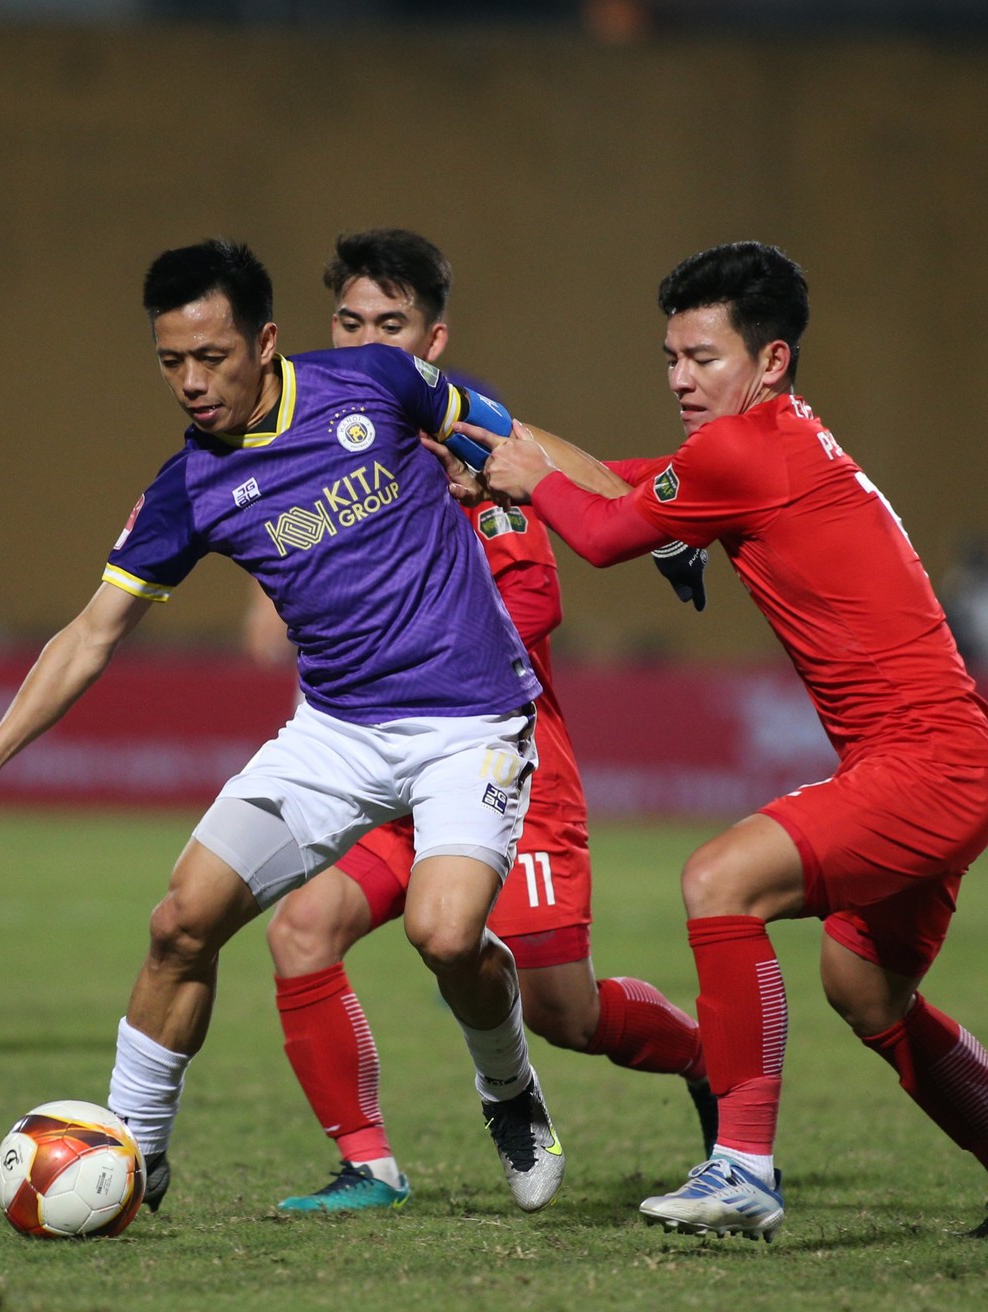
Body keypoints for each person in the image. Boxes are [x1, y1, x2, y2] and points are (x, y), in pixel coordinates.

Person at [0, 240, 564, 1215]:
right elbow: (91, 632)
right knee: (181, 922)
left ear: (265, 343)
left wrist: (646, 525)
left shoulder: (376, 380)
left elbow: (526, 446)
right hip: (334, 732)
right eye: (170, 362)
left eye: (210, 356)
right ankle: (130, 1152)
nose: (190, 381)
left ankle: (507, 1088)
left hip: (465, 715)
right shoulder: (190, 485)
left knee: (442, 935)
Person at [463, 240, 988, 1243]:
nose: (677, 376)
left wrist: (495, 443)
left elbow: (598, 529)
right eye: (669, 356)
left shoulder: (741, 450)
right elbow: (617, 485)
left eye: (700, 357)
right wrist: (505, 457)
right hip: (955, 762)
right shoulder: (771, 444)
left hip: (924, 764)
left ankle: (742, 1163)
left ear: (769, 361)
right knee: (866, 988)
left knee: (719, 880)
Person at [259, 229, 714, 1213]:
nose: (365, 341)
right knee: (301, 927)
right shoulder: (313, 447)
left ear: (432, 341)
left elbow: (537, 590)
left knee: (568, 1013)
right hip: (384, 761)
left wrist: (655, 531)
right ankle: (367, 1163)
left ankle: (706, 1060)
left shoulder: (479, 445)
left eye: (391, 324)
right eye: (348, 322)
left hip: (507, 765)